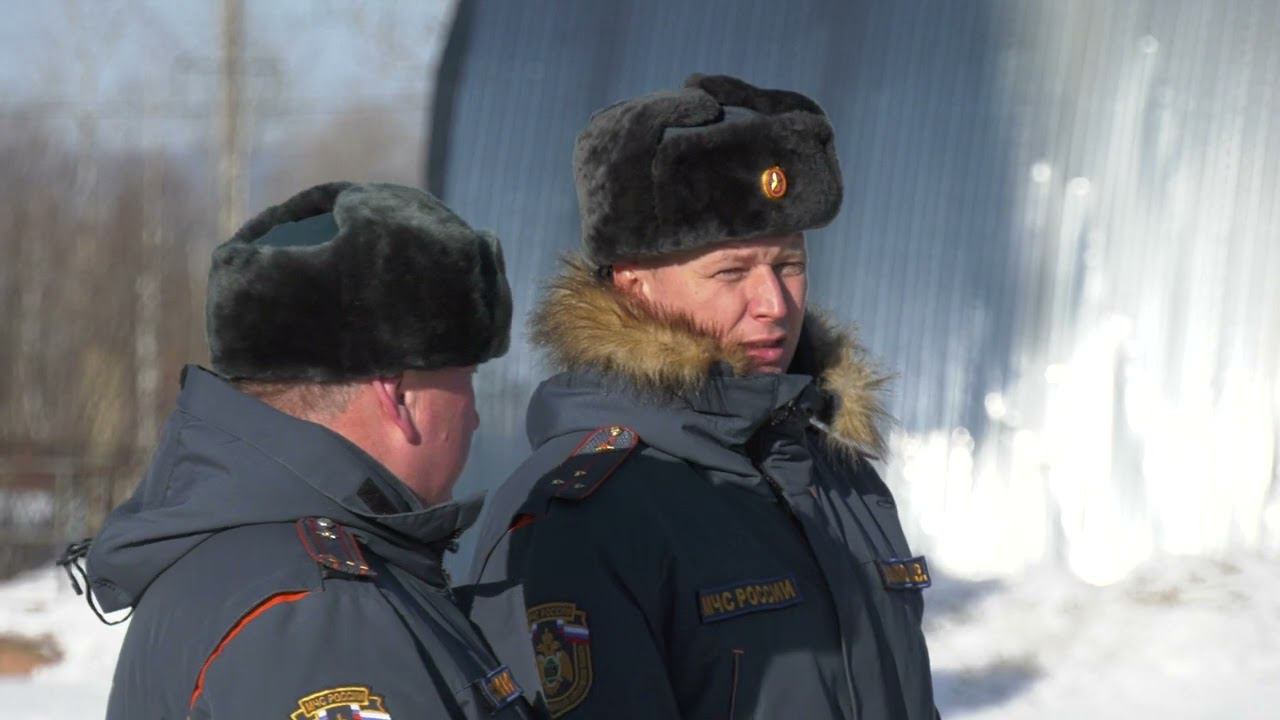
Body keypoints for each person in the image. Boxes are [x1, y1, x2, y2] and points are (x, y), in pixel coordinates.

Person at [466, 75, 939, 719]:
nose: (774, 304)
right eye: (730, 272)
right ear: (634, 286)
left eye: (789, 265)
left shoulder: (837, 476)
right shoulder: (588, 518)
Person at [74, 182, 533, 719]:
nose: (473, 415)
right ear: (398, 394)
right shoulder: (324, 612)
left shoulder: (234, 555)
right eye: (467, 378)